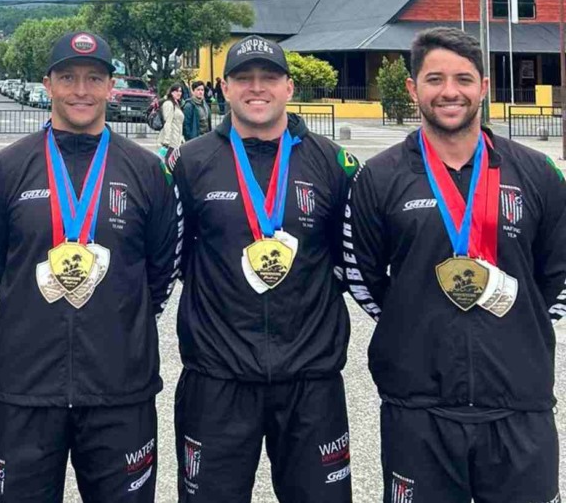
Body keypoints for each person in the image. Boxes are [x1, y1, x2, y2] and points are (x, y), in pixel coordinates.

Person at [344, 27, 565, 503]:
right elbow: (361, 274)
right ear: (412, 89)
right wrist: (415, 319)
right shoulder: (378, 177)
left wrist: (517, 325)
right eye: (435, 78)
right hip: (417, 410)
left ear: (484, 86)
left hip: (519, 408)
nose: (450, 91)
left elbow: (557, 273)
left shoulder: (537, 173)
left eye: (464, 78)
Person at [0, 31, 180, 503]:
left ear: (112, 86)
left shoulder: (147, 172)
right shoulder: (6, 168)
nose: (81, 90)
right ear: (47, 84)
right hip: (24, 389)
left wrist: (116, 319)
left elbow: (161, 273)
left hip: (120, 390)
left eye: (94, 78)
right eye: (68, 77)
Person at [168, 35, 356, 502]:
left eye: (269, 78)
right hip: (217, 381)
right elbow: (169, 259)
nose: (257, 88)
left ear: (289, 87)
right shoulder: (191, 162)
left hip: (310, 383)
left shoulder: (333, 162)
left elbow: (352, 260)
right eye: (243, 78)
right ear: (225, 89)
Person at [156, 82, 186, 150]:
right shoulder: (169, 104)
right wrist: (166, 141)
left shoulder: (176, 104)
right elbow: (168, 122)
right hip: (170, 143)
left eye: (180, 91)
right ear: (171, 92)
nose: (179, 93)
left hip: (176, 141)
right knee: (167, 160)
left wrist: (181, 138)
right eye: (176, 91)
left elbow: (178, 124)